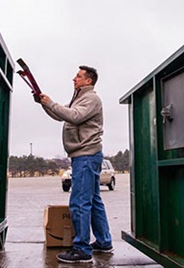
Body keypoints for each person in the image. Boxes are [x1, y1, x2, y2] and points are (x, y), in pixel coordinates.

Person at [39, 65, 113, 264]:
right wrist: (45, 104)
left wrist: (51, 103)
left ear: (88, 81)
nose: (74, 78)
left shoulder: (91, 99)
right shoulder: (80, 98)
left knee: (79, 202)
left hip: (86, 156)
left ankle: (82, 249)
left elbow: (74, 116)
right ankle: (104, 242)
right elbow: (61, 115)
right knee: (94, 200)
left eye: (78, 76)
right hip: (86, 156)